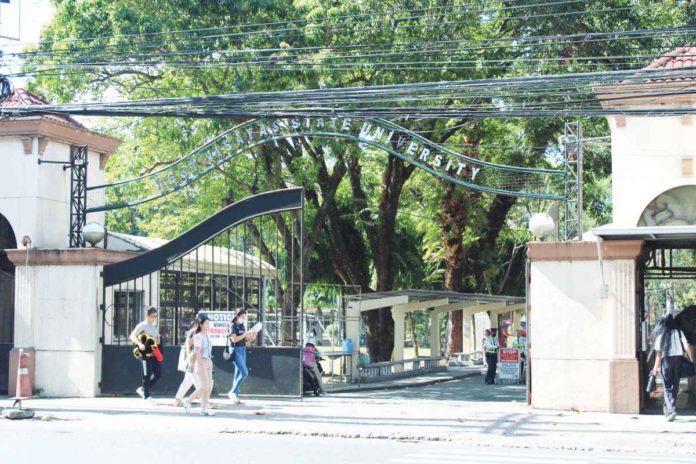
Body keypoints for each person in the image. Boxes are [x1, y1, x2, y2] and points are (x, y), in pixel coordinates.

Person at [651, 313, 693, 421]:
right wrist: (691, 359)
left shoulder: (661, 334)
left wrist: (655, 369)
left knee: (668, 386)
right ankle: (669, 410)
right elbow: (686, 345)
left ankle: (671, 410)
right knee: (675, 385)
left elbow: (659, 354)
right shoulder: (679, 332)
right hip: (678, 360)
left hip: (666, 361)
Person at [129, 307, 162, 404]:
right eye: (152, 316)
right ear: (147, 316)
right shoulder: (142, 326)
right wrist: (139, 344)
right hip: (144, 354)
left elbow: (156, 339)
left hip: (153, 354)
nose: (154, 318)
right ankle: (147, 396)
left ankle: (144, 389)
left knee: (158, 373)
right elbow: (132, 336)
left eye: (155, 316)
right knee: (146, 375)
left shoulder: (154, 326)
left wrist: (158, 341)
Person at [184, 314, 215, 416]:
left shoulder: (206, 335)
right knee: (204, 387)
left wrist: (209, 363)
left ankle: (204, 408)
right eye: (206, 323)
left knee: (209, 386)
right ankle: (188, 401)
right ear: (201, 324)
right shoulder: (198, 336)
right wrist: (200, 363)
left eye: (208, 323)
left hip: (208, 362)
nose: (208, 325)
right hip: (201, 363)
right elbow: (197, 351)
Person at [227, 308, 255, 404]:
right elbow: (234, 339)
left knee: (238, 372)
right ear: (237, 316)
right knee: (244, 372)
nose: (243, 319)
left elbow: (244, 340)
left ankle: (235, 396)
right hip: (235, 350)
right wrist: (245, 335)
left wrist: (252, 336)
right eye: (242, 317)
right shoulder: (232, 325)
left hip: (242, 349)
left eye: (244, 317)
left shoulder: (242, 326)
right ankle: (232, 391)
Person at [174, 318, 201, 407]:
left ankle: (178, 399)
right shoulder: (193, 331)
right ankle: (204, 398)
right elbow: (188, 344)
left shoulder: (199, 332)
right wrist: (190, 358)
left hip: (194, 358)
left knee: (188, 380)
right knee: (195, 378)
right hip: (191, 358)